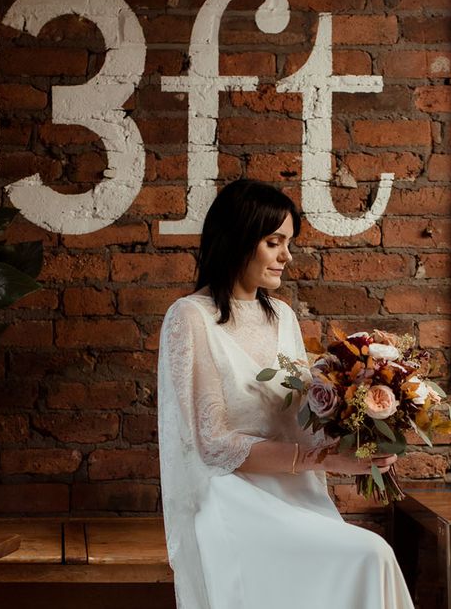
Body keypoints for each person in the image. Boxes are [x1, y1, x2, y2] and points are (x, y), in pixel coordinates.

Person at [158, 179, 416, 609]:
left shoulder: (281, 316)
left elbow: (300, 420)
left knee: (374, 555)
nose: (286, 256)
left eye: (288, 242)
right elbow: (213, 444)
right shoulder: (189, 318)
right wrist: (330, 460)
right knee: (371, 554)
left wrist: (362, 440)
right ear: (238, 239)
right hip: (233, 499)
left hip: (295, 493)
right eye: (274, 242)